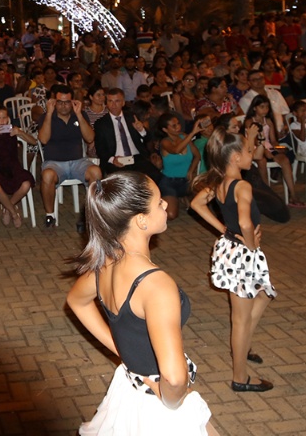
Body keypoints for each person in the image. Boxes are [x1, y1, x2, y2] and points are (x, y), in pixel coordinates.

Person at [65, 172, 216, 434]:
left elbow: (76, 301)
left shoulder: (105, 265)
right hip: (157, 407)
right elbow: (175, 377)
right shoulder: (156, 285)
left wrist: (123, 350)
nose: (166, 205)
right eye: (159, 203)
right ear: (141, 221)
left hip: (131, 386)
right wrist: (169, 398)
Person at [190, 127, 276, 393]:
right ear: (236, 157)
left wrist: (223, 231)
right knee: (240, 317)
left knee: (263, 295)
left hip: (230, 248)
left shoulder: (219, 181)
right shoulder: (243, 186)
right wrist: (249, 243)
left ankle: (244, 344)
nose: (253, 154)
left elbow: (196, 204)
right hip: (242, 254)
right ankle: (241, 377)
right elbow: (244, 222)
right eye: (249, 151)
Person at [37, 84, 101, 229]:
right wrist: (48, 113)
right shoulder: (47, 117)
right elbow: (43, 140)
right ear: (54, 102)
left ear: (73, 102)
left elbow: (90, 138)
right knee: (47, 175)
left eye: (67, 102)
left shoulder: (80, 115)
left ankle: (94, 214)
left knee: (96, 172)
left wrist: (79, 114)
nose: (64, 106)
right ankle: (50, 215)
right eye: (60, 102)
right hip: (54, 163)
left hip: (78, 161)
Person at [94, 88, 161, 183]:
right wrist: (112, 159)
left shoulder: (132, 117)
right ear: (106, 103)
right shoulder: (101, 123)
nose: (113, 105)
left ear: (123, 102)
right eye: (110, 101)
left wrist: (141, 130)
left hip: (137, 157)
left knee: (155, 176)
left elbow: (148, 139)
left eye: (117, 101)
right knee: (124, 182)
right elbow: (100, 148)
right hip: (117, 159)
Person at [0, 106, 37, 227]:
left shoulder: (13, 130)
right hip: (0, 168)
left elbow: (33, 142)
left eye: (4, 118)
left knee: (26, 184)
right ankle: (13, 213)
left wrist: (20, 132)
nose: (2, 121)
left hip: (15, 167)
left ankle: (7, 207)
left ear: (8, 119)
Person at [155, 112, 205, 220]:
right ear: (165, 130)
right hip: (169, 182)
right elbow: (176, 150)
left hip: (186, 180)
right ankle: (162, 201)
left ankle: (183, 198)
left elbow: (197, 156)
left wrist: (191, 171)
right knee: (171, 215)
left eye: (178, 124)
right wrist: (192, 133)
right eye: (174, 126)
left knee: (205, 197)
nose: (178, 127)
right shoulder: (164, 142)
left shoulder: (184, 137)